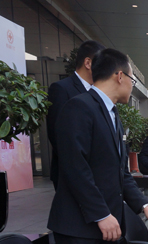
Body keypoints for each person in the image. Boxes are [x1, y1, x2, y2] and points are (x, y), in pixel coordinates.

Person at [48, 47, 148, 244]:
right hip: (80, 228)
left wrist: (145, 204)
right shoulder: (78, 106)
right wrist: (101, 214)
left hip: (108, 226)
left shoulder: (112, 114)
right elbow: (75, 168)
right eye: (132, 80)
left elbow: (121, 172)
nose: (132, 86)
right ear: (120, 76)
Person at [46, 40, 105, 190]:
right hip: (70, 175)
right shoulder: (61, 89)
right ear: (88, 63)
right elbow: (56, 135)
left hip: (96, 174)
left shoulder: (98, 92)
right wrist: (80, 169)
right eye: (102, 64)